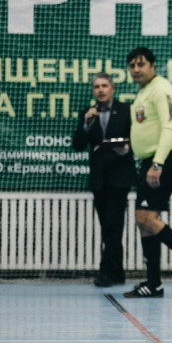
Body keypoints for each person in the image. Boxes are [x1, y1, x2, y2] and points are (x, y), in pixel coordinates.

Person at [123, 47, 172, 298]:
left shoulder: (162, 89)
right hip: (150, 161)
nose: (136, 70)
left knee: (147, 218)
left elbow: (170, 126)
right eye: (132, 66)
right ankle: (154, 284)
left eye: (141, 64)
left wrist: (157, 164)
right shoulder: (143, 92)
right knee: (143, 221)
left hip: (165, 160)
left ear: (152, 66)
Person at [72, 72, 136, 288]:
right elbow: (78, 145)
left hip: (120, 176)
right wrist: (86, 124)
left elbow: (136, 139)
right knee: (108, 225)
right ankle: (117, 272)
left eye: (104, 86)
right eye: (96, 87)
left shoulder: (126, 110)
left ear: (112, 88)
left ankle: (107, 272)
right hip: (99, 179)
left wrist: (127, 148)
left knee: (113, 224)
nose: (100, 90)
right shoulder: (88, 113)